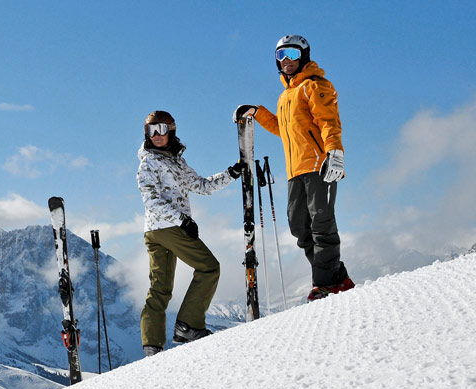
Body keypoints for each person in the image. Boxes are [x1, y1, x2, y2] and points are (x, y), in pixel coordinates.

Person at [235, 35, 355, 302]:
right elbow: (284, 129)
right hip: (295, 171)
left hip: (319, 165)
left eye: (291, 53)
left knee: (321, 223)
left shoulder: (315, 86)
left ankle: (324, 284)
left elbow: (328, 121)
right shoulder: (286, 96)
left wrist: (334, 152)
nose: (286, 60)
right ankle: (337, 278)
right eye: (280, 55)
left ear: (304, 55)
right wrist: (259, 112)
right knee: (299, 226)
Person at [136, 110, 245, 356]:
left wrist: (230, 174)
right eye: (151, 130)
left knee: (160, 288)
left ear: (171, 131)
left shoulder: (176, 161)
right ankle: (188, 325)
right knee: (209, 267)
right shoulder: (148, 163)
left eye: (161, 129)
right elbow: (151, 201)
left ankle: (152, 345)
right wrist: (182, 221)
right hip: (167, 227)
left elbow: (201, 186)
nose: (156, 135)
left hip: (156, 231)